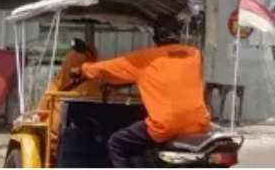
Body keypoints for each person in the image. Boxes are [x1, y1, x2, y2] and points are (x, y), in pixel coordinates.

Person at [71, 20, 211, 168]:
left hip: (165, 125)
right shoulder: (194, 55)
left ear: (155, 38)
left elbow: (108, 68)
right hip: (198, 123)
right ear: (179, 36)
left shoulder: (147, 58)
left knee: (116, 143)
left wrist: (82, 69)